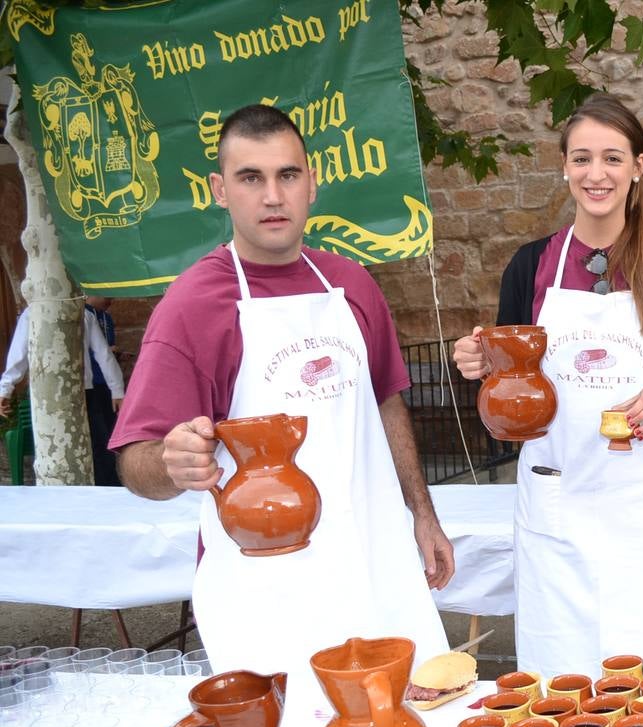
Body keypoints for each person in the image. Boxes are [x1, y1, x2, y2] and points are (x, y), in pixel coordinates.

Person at [110, 104, 451, 694]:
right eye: (251, 178)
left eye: (287, 175)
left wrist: (422, 513)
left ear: (311, 183)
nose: (272, 196)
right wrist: (171, 462)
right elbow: (135, 462)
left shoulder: (352, 285)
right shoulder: (192, 307)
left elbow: (386, 402)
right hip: (267, 589)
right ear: (220, 190)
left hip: (375, 561)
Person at [453, 93, 643, 679]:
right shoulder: (530, 266)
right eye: (582, 158)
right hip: (556, 494)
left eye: (612, 158)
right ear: (565, 166)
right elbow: (508, 385)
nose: (596, 174)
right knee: (559, 668)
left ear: (638, 167)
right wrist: (481, 364)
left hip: (639, 499)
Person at [1, 303, 126, 487]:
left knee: (86, 447)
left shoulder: (77, 314)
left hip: (71, 394)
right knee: (90, 447)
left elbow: (103, 354)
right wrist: (117, 390)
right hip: (55, 394)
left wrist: (117, 390)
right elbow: (104, 354)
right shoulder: (76, 313)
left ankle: (102, 488)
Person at [84, 296, 121, 486]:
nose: (110, 299)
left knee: (104, 435)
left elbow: (104, 354)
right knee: (97, 437)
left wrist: (117, 389)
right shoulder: (85, 314)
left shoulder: (97, 317)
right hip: (90, 384)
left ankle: (109, 480)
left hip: (98, 387)